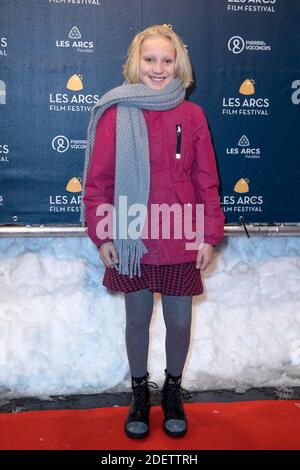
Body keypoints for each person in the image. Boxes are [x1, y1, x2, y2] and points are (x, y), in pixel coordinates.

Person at [81, 24, 225, 439]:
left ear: (179, 64)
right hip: (132, 234)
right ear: (135, 63)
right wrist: (104, 234)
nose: (158, 68)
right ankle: (139, 393)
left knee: (180, 323)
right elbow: (99, 182)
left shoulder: (193, 114)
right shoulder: (116, 112)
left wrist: (208, 234)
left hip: (180, 234)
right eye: (150, 60)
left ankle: (173, 391)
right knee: (137, 319)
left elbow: (206, 179)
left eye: (166, 60)